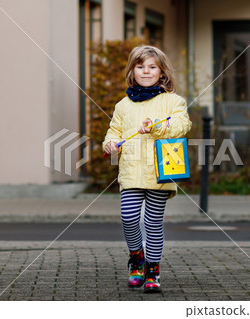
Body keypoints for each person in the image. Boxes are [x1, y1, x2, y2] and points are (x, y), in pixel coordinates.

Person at [103, 45, 192, 293]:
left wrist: (155, 126)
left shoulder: (173, 101)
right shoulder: (123, 105)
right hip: (131, 172)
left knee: (153, 223)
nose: (146, 71)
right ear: (132, 71)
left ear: (162, 72)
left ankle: (152, 271)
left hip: (160, 173)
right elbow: (114, 131)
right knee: (129, 218)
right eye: (140, 66)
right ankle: (137, 259)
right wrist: (110, 143)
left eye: (152, 67)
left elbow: (182, 125)